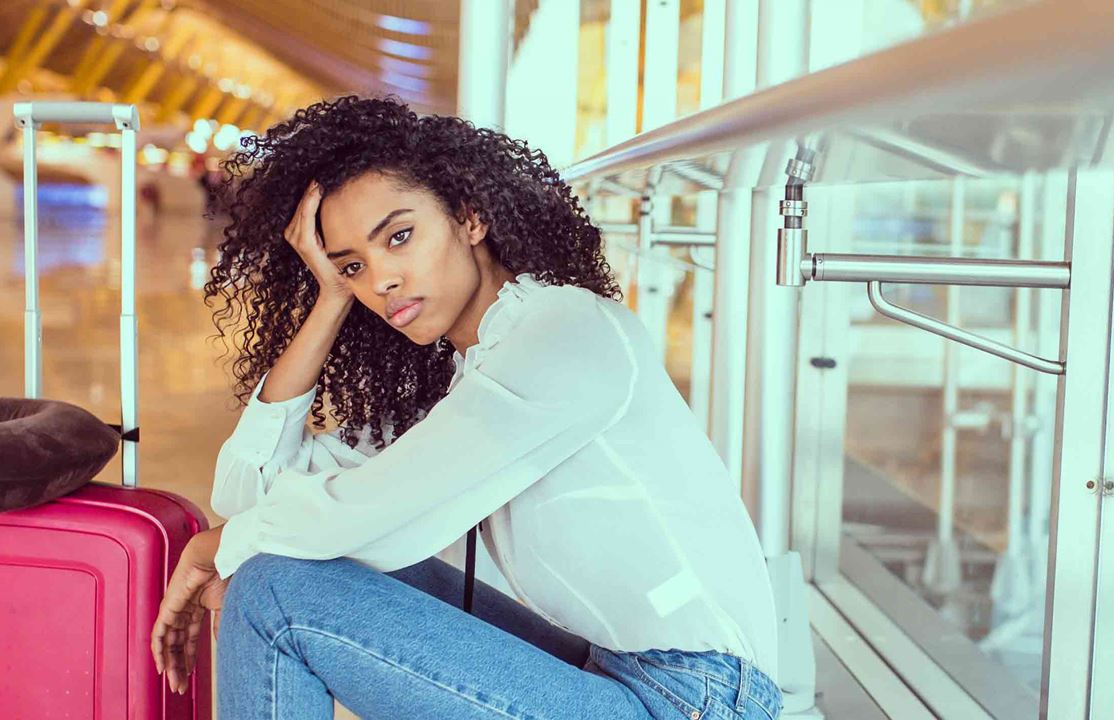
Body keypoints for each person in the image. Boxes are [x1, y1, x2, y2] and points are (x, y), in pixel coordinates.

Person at [149, 95, 782, 720]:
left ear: (469, 218)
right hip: (611, 673)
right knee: (273, 564)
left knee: (271, 591)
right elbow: (249, 492)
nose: (381, 281)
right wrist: (328, 299)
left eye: (399, 237)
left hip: (695, 700)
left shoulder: (565, 334)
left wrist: (214, 550)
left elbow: (363, 513)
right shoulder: (468, 374)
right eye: (353, 267)